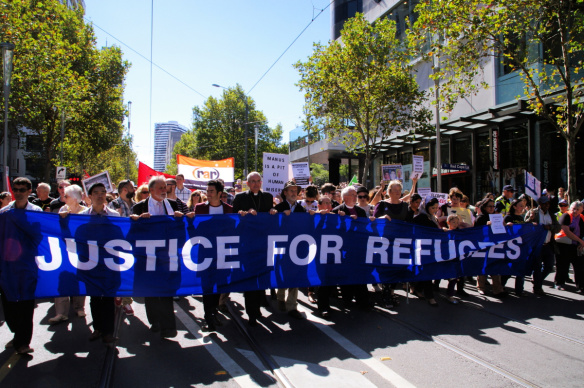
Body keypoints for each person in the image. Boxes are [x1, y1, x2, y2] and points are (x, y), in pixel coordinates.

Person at [131, 176, 183, 338]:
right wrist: (138, 221)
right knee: (152, 291)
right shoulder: (139, 207)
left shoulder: (174, 204)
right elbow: (132, 233)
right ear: (151, 190)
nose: (164, 191)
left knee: (167, 290)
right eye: (160, 188)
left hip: (168, 257)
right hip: (148, 257)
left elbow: (185, 223)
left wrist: (181, 218)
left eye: (165, 187)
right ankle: (155, 321)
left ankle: (169, 327)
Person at [0, 177, 42, 354]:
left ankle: (23, 341)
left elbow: (41, 237)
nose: (18, 192)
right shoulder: (3, 213)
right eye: (15, 189)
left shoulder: (37, 212)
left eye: (22, 189)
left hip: (27, 266)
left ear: (29, 192)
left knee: (25, 304)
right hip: (6, 267)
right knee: (9, 304)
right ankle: (18, 334)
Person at [231, 172, 277, 326]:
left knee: (262, 277)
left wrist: (273, 212)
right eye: (253, 181)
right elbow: (233, 218)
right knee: (250, 278)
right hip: (247, 244)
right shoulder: (240, 197)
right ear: (248, 183)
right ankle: (251, 313)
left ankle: (258, 307)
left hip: (264, 243)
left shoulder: (268, 197)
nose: (256, 184)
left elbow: (271, 218)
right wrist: (241, 214)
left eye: (258, 181)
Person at [317, 186, 370, 316]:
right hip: (336, 251)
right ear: (345, 197)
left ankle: (361, 301)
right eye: (353, 194)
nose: (356, 197)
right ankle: (325, 305)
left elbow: (365, 228)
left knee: (358, 276)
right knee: (328, 278)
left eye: (355, 195)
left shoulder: (361, 211)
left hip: (355, 251)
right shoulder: (336, 211)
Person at [79, 183, 120, 344]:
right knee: (95, 298)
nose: (100, 195)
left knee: (108, 298)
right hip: (91, 264)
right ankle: (97, 328)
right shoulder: (81, 217)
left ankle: (108, 331)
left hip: (109, 264)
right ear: (89, 196)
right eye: (96, 192)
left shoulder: (115, 215)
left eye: (103, 192)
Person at [193, 179, 233, 331]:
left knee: (219, 285)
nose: (207, 194)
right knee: (207, 286)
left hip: (223, 255)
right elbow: (195, 228)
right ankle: (208, 316)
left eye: (211, 191)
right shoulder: (199, 208)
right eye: (207, 191)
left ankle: (213, 311)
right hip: (206, 254)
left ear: (219, 193)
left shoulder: (229, 209)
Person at [48, 185, 89, 324]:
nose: (64, 198)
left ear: (75, 198)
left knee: (79, 277)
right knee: (62, 278)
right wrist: (62, 219)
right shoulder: (62, 210)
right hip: (64, 250)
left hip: (81, 250)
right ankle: (61, 312)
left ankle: (79, 307)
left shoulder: (86, 212)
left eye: (66, 196)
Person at [273, 181, 305, 320]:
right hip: (282, 246)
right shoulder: (278, 207)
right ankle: (280, 297)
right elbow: (272, 225)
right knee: (282, 272)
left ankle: (292, 305)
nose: (293, 193)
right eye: (290, 190)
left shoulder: (301, 209)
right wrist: (277, 215)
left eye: (295, 190)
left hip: (296, 246)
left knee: (295, 274)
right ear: (285, 192)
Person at [107, 179, 136, 315]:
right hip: (117, 245)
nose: (134, 189)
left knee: (128, 273)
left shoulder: (136, 205)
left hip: (133, 245)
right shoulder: (113, 205)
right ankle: (120, 297)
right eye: (131, 187)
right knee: (118, 273)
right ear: (124, 190)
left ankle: (125, 299)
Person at [525, 196, 561, 295]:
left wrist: (550, 227)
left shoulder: (551, 215)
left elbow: (558, 227)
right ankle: (537, 287)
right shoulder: (534, 213)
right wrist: (530, 220)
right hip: (537, 245)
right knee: (537, 266)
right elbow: (525, 226)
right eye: (544, 204)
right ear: (540, 204)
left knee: (549, 266)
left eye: (548, 204)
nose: (546, 205)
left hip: (548, 244)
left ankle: (538, 279)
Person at [474, 198, 507, 298]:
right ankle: (481, 287)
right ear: (484, 207)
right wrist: (486, 226)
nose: (492, 208)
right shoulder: (480, 218)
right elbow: (476, 232)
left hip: (494, 244)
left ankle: (497, 289)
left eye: (493, 206)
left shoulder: (496, 217)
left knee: (495, 266)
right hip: (483, 245)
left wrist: (504, 225)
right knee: (483, 266)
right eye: (490, 206)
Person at [412, 196, 440, 306]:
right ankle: (430, 296)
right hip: (422, 249)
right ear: (426, 207)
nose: (435, 210)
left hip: (431, 248)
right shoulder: (421, 218)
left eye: (437, 207)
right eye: (433, 208)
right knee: (428, 272)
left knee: (428, 271)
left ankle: (418, 289)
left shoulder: (432, 218)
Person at [554, 201, 584, 292]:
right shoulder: (566, 216)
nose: (575, 211)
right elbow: (567, 231)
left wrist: (581, 243)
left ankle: (581, 286)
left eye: (577, 209)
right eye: (573, 208)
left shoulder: (581, 218)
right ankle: (559, 283)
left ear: (581, 210)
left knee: (580, 266)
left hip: (575, 245)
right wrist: (580, 241)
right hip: (563, 244)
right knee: (563, 265)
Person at [502, 198, 528, 296]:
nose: (522, 207)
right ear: (514, 207)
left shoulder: (521, 218)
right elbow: (503, 230)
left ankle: (519, 290)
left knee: (521, 268)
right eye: (520, 205)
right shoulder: (508, 217)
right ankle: (501, 286)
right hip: (510, 246)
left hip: (520, 246)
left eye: (523, 206)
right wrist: (507, 226)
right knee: (508, 269)